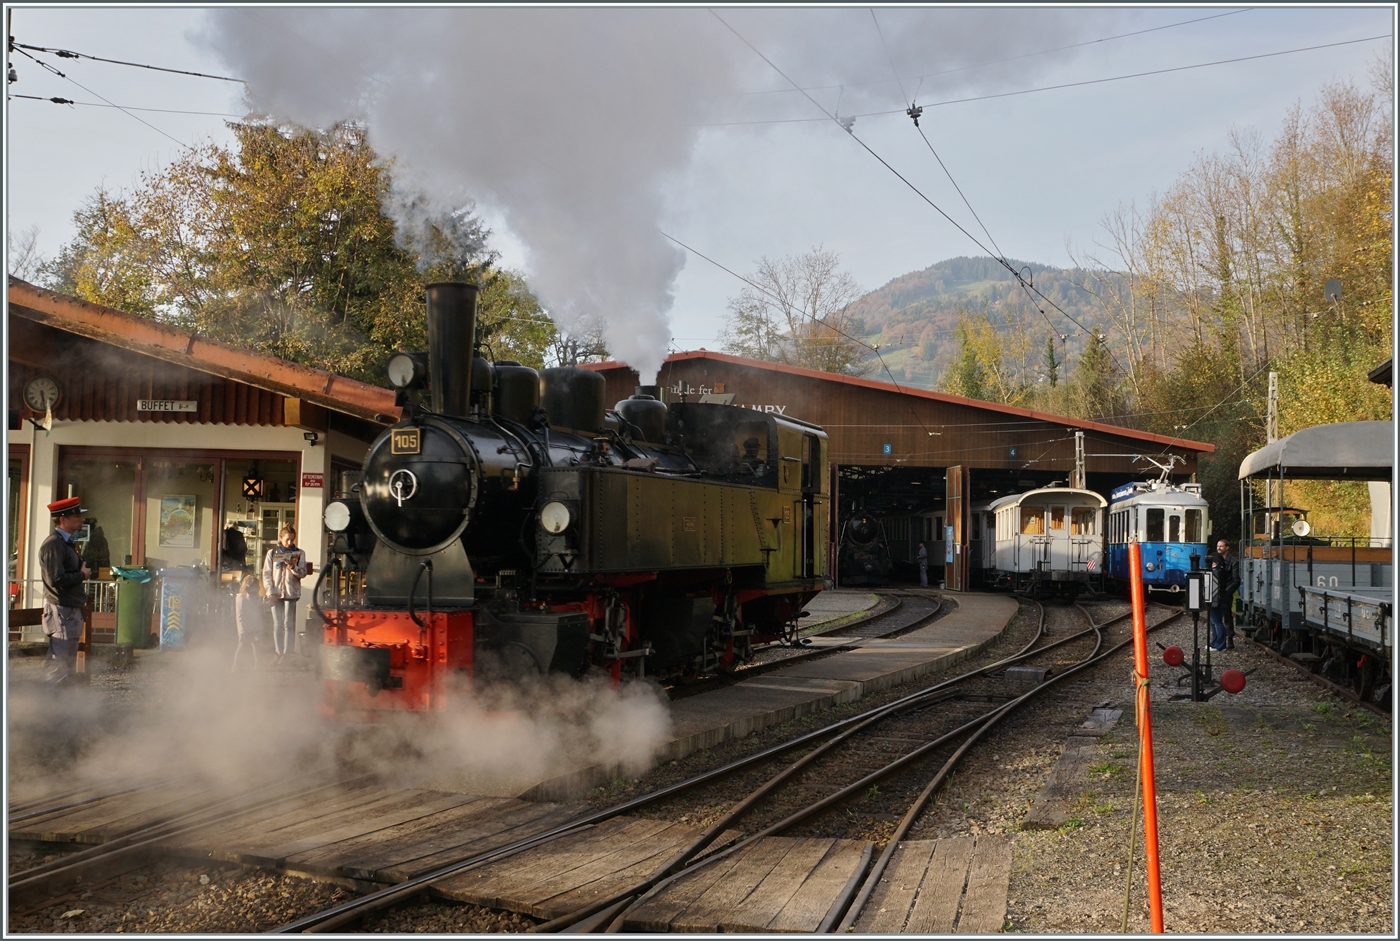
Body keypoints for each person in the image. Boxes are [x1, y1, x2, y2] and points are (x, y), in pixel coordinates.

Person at [39, 497, 91, 686]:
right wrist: (82, 575)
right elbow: (55, 579)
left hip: (68, 609)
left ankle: (59, 707)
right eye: (77, 515)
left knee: (65, 662)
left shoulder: (65, 543)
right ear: (63, 519)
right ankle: (50, 707)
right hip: (61, 609)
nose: (82, 519)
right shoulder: (54, 544)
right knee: (59, 663)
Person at [262, 524, 311, 660]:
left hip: (291, 592)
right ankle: (278, 652)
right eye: (287, 540)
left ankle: (287, 652)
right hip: (276, 592)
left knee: (288, 623)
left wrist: (293, 567)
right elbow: (267, 573)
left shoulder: (299, 553)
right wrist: (270, 591)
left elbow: (303, 573)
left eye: (292, 540)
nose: (290, 543)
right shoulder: (272, 553)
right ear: (281, 538)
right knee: (277, 623)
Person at [232, 575, 269, 673]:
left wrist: (271, 604)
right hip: (246, 626)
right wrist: (243, 629)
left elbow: (259, 607)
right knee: (242, 645)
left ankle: (258, 665)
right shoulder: (241, 598)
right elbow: (240, 615)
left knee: (256, 645)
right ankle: (235, 666)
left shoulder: (255, 597)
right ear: (249, 587)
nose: (259, 588)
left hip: (255, 625)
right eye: (257, 586)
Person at [1208, 539, 1240, 651]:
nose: (1219, 548)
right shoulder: (1216, 560)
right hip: (1218, 592)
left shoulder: (1234, 561)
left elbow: (1236, 580)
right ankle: (1217, 641)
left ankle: (1229, 639)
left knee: (1227, 616)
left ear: (1227, 547)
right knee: (1215, 620)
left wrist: (1225, 591)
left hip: (1225, 593)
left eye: (1221, 546)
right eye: (1217, 546)